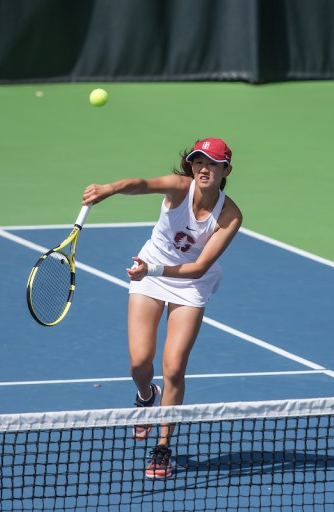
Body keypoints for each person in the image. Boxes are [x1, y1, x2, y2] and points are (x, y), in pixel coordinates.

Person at [81, 137, 243, 479]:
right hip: (151, 269)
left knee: (174, 368)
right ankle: (145, 396)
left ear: (225, 170)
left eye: (213, 164)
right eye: (199, 162)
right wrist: (110, 188)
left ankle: (163, 447)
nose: (204, 169)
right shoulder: (178, 188)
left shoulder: (230, 215)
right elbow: (141, 184)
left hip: (189, 281)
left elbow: (198, 268)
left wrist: (150, 270)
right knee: (140, 362)